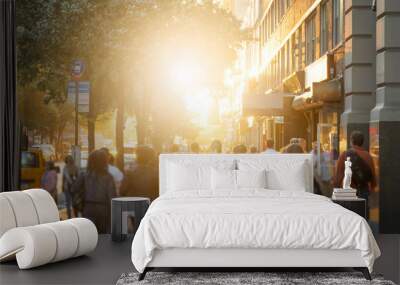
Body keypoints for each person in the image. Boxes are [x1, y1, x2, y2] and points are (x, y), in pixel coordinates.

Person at [72, 150, 116, 233]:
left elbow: (74, 189)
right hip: (104, 209)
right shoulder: (108, 177)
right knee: (102, 236)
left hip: (88, 208)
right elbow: (112, 197)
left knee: (89, 234)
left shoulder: (84, 175)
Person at [334, 131, 376, 217]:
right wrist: (372, 187)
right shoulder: (368, 156)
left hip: (349, 191)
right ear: (362, 142)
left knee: (349, 215)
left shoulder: (345, 154)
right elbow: (372, 174)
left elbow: (339, 173)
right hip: (363, 189)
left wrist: (336, 187)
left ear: (351, 141)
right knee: (363, 214)